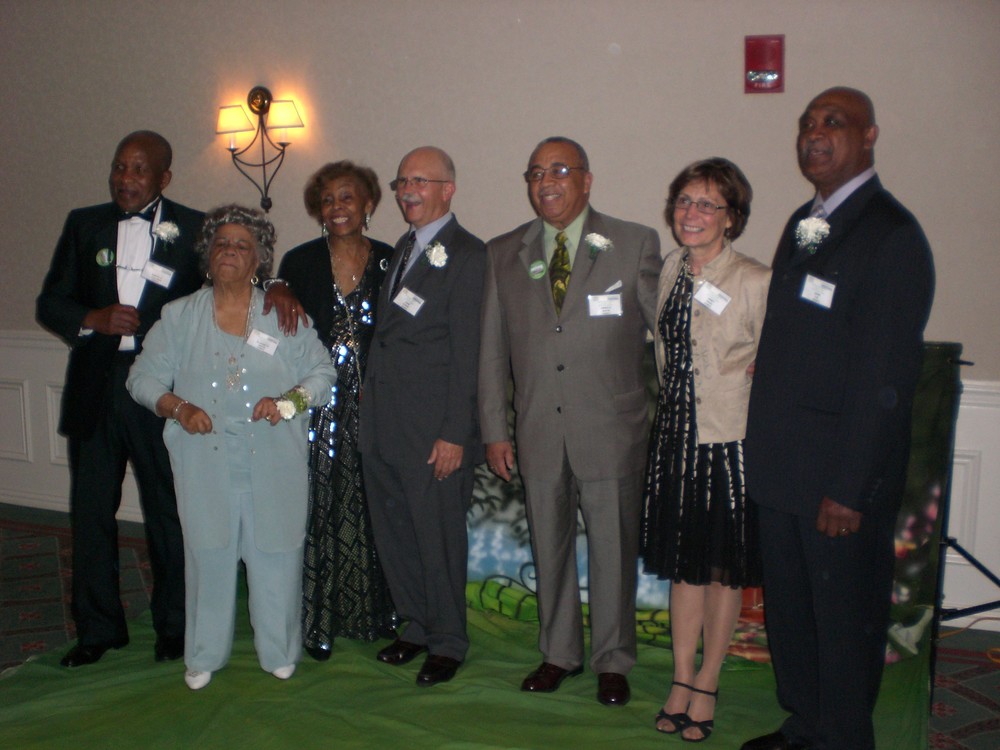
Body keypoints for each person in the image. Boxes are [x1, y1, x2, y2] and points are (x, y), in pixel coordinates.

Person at [742, 88, 934, 750]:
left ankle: (844, 738)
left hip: (836, 482)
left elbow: (885, 378)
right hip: (784, 469)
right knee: (794, 616)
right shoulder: (807, 221)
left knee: (843, 622)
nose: (814, 133)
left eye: (834, 122)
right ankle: (805, 725)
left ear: (869, 135)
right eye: (807, 123)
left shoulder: (891, 234)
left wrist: (850, 489)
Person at [479, 136, 662, 706]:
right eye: (536, 173)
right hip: (538, 430)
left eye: (559, 170)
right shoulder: (503, 252)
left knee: (613, 549)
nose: (546, 182)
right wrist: (495, 429)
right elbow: (491, 351)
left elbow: (668, 331)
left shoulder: (633, 243)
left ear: (587, 179)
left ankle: (613, 660)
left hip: (612, 430)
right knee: (549, 547)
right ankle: (559, 653)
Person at [126, 205, 336, 690]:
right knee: (208, 557)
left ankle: (279, 651)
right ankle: (203, 655)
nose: (230, 252)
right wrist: (178, 407)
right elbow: (142, 378)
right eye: (221, 243)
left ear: (259, 259)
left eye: (242, 246)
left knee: (277, 556)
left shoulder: (283, 314)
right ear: (207, 253)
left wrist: (287, 403)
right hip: (205, 463)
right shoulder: (180, 316)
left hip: (273, 462)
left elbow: (323, 374)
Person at [36, 131, 203, 668]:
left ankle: (175, 627)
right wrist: (93, 318)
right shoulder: (83, 224)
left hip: (163, 389)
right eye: (118, 167)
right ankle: (99, 629)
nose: (125, 178)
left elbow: (223, 295)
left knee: (168, 512)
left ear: (164, 178)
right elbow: (51, 301)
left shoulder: (196, 228)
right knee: (90, 513)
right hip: (97, 383)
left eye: (138, 169)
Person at [641, 158, 770, 741]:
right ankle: (681, 677)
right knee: (683, 569)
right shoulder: (670, 268)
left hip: (726, 444)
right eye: (684, 201)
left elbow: (776, 364)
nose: (691, 213)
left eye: (707, 204)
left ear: (731, 217)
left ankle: (709, 681)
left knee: (721, 573)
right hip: (674, 440)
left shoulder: (755, 280)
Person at [359, 147, 485, 687]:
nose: (407, 190)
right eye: (402, 181)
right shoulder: (402, 249)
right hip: (386, 424)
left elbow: (470, 352)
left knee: (437, 540)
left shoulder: (468, 254)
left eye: (420, 181)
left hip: (434, 432)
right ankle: (415, 625)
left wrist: (455, 433)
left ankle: (449, 641)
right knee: (398, 534)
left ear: (447, 189)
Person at [275, 161, 397, 659]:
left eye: (347, 197)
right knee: (319, 507)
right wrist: (275, 284)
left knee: (374, 506)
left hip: (379, 406)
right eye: (327, 200)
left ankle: (378, 613)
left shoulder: (391, 260)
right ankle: (317, 621)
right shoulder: (300, 261)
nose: (337, 207)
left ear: (368, 204)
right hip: (318, 407)